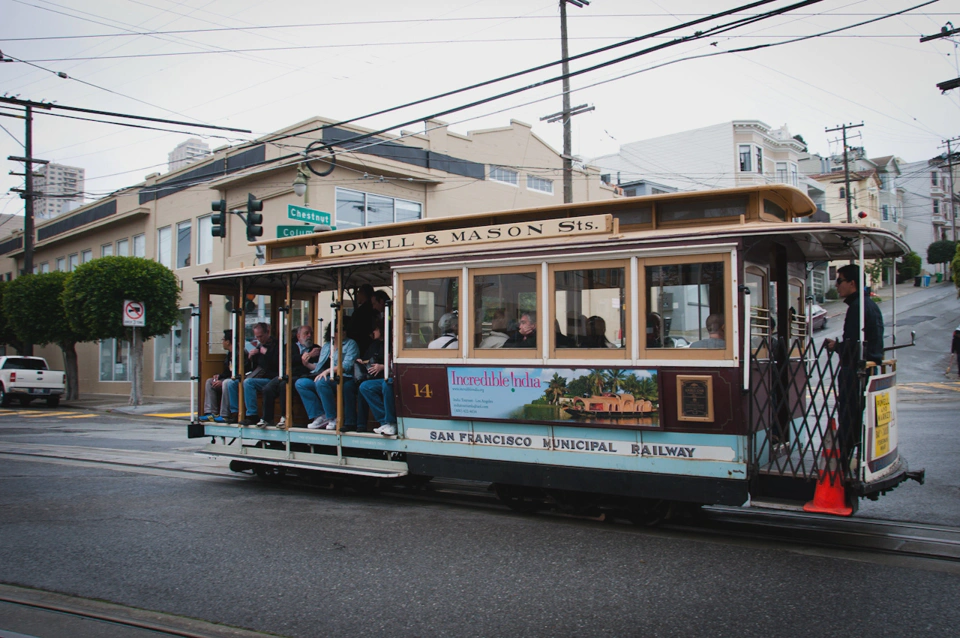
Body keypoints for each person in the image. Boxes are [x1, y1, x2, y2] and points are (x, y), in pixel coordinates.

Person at [824, 264, 884, 458]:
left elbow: (855, 346)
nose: (836, 285)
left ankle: (844, 456)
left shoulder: (858, 308)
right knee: (855, 414)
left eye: (839, 281)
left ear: (852, 283)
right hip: (866, 369)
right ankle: (850, 452)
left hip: (855, 370)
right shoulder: (869, 305)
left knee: (849, 415)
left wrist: (836, 347)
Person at [256, 325, 321, 428]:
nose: (309, 336)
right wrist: (308, 355)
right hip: (288, 374)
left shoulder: (316, 349)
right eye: (306, 333)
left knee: (284, 386)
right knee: (268, 388)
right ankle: (266, 418)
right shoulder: (290, 346)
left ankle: (285, 417)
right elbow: (288, 360)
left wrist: (307, 358)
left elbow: (316, 366)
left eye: (311, 333)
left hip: (302, 376)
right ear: (299, 336)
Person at [302, 323, 360, 430]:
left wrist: (328, 371)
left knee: (321, 382)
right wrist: (307, 364)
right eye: (338, 330)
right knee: (301, 383)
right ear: (332, 332)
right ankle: (320, 415)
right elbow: (318, 367)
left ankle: (332, 418)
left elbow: (347, 366)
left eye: (343, 329)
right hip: (325, 376)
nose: (342, 332)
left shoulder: (350, 344)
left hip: (343, 377)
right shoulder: (327, 345)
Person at [224, 322, 280, 426]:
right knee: (232, 383)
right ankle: (235, 413)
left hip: (271, 378)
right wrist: (251, 358)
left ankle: (252, 415)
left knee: (248, 383)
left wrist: (266, 354)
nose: (259, 339)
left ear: (267, 332)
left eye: (261, 336)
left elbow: (277, 364)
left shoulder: (276, 345)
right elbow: (252, 367)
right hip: (258, 376)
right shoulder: (259, 345)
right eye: (257, 337)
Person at [357, 320, 397, 435]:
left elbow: (397, 362)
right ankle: (384, 422)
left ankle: (391, 422)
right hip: (379, 378)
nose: (373, 332)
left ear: (381, 330)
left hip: (393, 377)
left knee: (387, 384)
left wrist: (383, 367)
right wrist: (362, 362)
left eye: (375, 329)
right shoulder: (374, 345)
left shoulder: (392, 343)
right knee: (364, 387)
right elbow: (367, 358)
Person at [202, 330, 233, 422]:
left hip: (235, 381)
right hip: (229, 378)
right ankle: (211, 412)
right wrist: (219, 376)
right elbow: (228, 371)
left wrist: (223, 381)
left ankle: (225, 415)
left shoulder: (239, 353)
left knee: (227, 383)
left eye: (223, 339)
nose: (222, 342)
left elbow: (240, 373)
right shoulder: (229, 354)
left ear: (228, 341)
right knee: (209, 382)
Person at [348, 284, 377, 353]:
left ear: (363, 294)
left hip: (361, 343)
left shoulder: (362, 311)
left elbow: (353, 328)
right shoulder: (372, 308)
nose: (357, 296)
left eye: (358, 293)